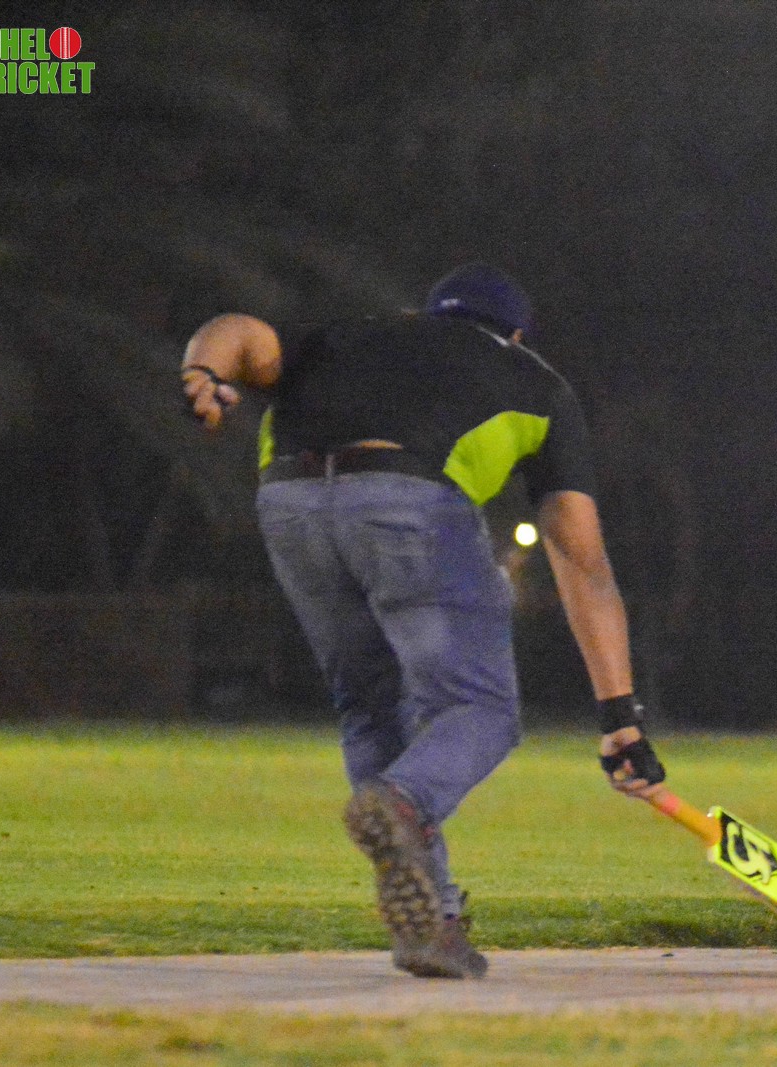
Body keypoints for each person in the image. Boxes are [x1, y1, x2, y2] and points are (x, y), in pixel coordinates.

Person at [180, 263, 666, 979]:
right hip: (407, 503)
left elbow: (240, 332)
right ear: (516, 335)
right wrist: (620, 716)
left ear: (426, 314)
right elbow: (582, 563)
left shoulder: (349, 335)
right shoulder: (538, 384)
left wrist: (204, 371)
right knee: (480, 709)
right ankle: (402, 803)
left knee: (369, 705)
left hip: (288, 506)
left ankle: (432, 920)